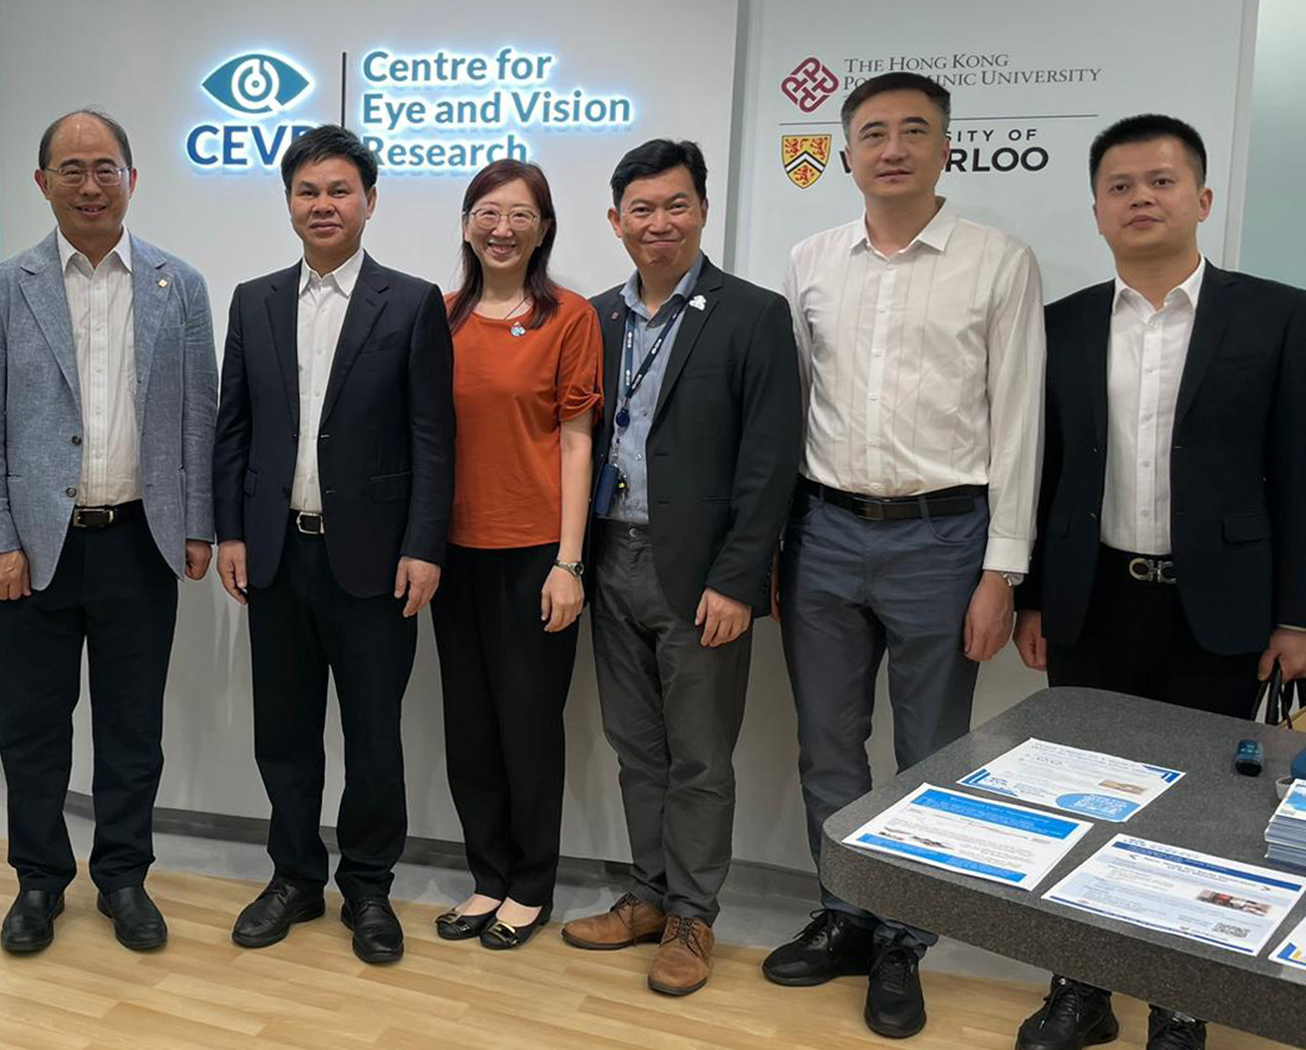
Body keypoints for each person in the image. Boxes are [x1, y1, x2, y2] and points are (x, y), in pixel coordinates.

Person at [1010, 115, 1306, 1050]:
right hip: (1092, 598)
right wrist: (1031, 598)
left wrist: (1298, 615)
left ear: (1202, 199)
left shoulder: (1278, 315)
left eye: (1162, 182)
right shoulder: (1059, 324)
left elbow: (1300, 474)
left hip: (1221, 608)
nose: (1141, 198)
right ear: (1096, 210)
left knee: (1206, 808)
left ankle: (1180, 999)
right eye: (1121, 186)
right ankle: (1080, 989)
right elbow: (1044, 468)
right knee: (1083, 794)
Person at [764, 71, 1046, 1039]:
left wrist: (1000, 569)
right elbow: (787, 415)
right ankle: (844, 914)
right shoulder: (808, 260)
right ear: (844, 152)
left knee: (926, 756)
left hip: (942, 536)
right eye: (872, 132)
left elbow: (1017, 424)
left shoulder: (996, 262)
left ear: (943, 147)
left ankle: (902, 938)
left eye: (912, 131)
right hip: (822, 532)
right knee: (827, 746)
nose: (891, 147)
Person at [0, 109, 217, 955]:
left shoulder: (180, 285)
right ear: (43, 183)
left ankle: (123, 877)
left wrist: (200, 523)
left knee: (132, 727)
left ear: (133, 179)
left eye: (106, 167)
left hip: (142, 541)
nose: (90, 183)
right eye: (71, 168)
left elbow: (199, 420)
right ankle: (38, 881)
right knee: (33, 726)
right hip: (31, 548)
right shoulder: (3, 288)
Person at [558, 139, 800, 996]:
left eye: (677, 205)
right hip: (609, 557)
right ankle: (650, 895)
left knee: (700, 755)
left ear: (702, 209)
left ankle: (695, 914)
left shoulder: (752, 314)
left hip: (699, 571)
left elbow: (769, 462)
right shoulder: (595, 317)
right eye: (642, 209)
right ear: (616, 220)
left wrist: (739, 578)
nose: (659, 223)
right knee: (635, 747)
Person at [212, 124, 454, 965]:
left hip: (376, 562)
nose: (324, 205)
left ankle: (369, 888)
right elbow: (233, 428)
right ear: (288, 203)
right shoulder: (253, 299)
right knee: (283, 730)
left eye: (340, 190)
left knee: (374, 735)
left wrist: (425, 545)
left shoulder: (413, 301)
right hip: (277, 555)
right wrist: (233, 529)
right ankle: (293, 877)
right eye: (309, 191)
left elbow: (433, 437)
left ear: (370, 202)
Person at [428, 158, 597, 952]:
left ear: (543, 229)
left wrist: (570, 562)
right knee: (469, 728)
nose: (502, 228)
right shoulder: (442, 313)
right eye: (488, 213)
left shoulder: (569, 318)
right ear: (467, 224)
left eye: (520, 215)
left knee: (529, 729)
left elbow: (576, 440)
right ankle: (487, 875)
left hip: (534, 555)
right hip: (451, 556)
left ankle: (531, 887)